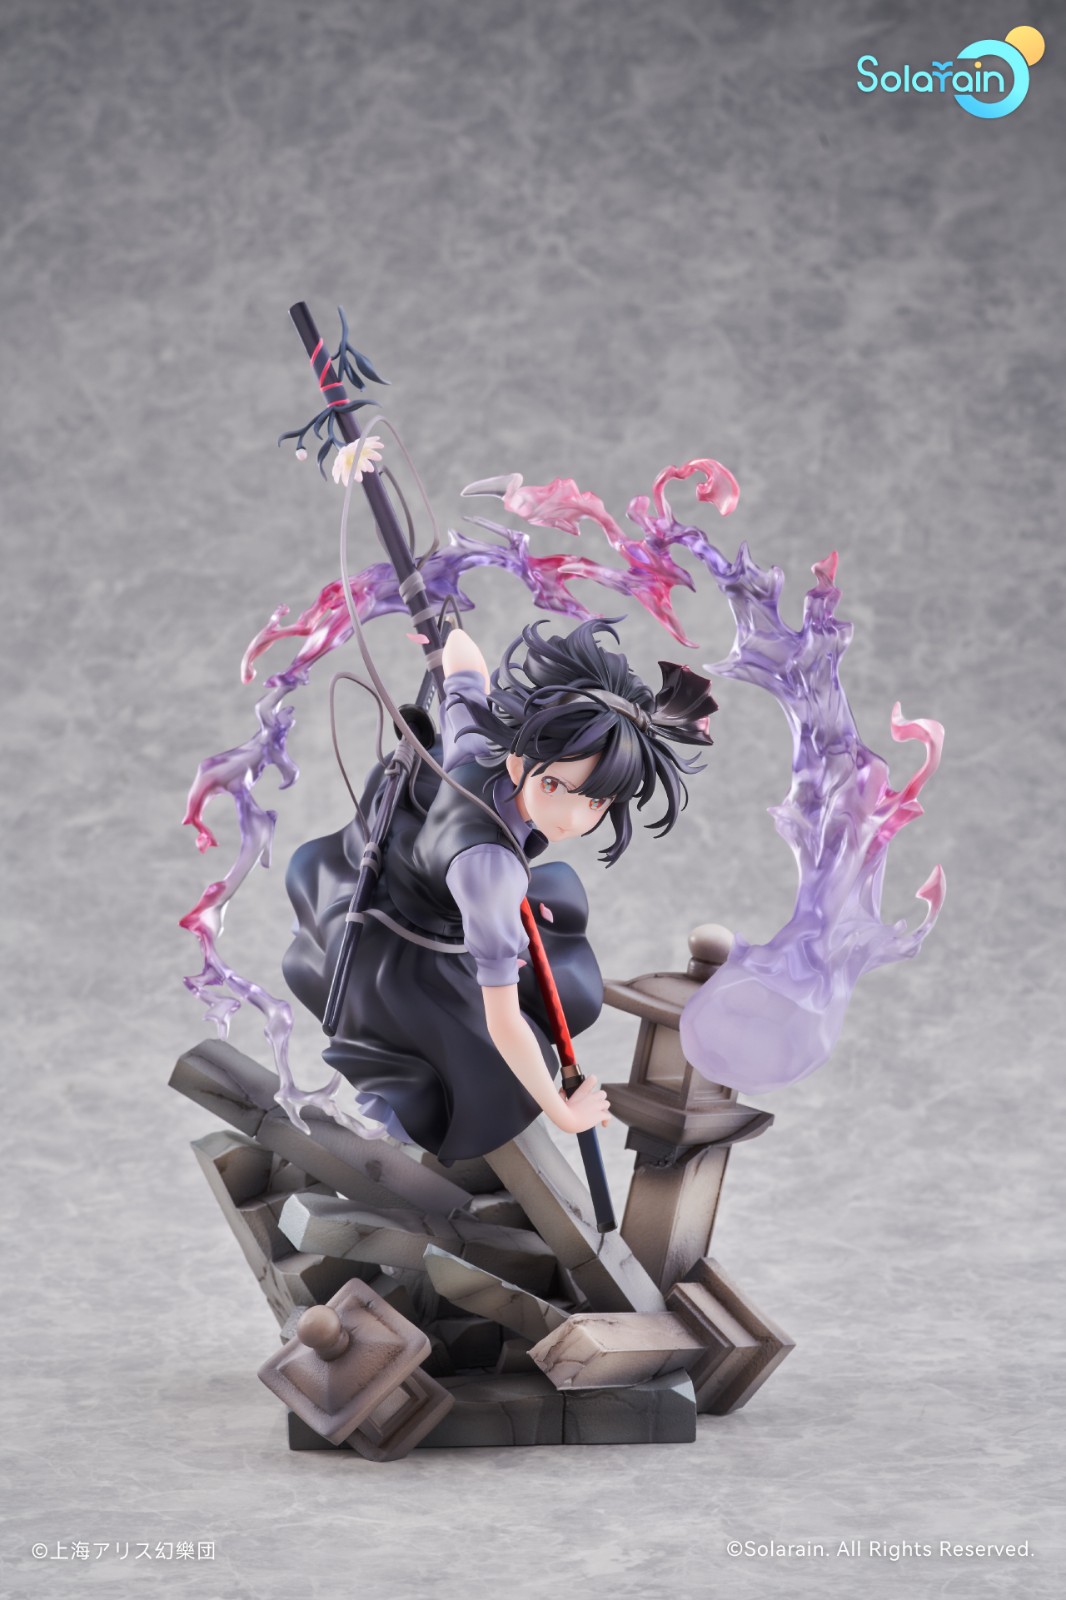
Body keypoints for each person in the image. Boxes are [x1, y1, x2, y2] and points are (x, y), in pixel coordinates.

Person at [283, 615, 716, 1162]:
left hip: (437, 885)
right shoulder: (490, 871)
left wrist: (444, 630)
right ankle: (395, 1141)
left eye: (597, 800)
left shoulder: (475, 744)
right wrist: (565, 1112)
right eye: (556, 785)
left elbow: (464, 673)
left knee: (565, 974)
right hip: (407, 949)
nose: (573, 817)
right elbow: (504, 1020)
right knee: (489, 1078)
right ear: (519, 763)